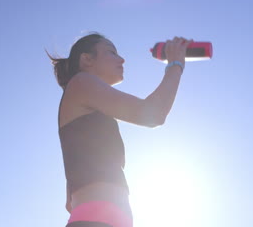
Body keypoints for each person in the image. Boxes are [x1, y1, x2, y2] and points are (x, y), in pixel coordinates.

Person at [47, 33, 192, 227]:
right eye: (111, 52)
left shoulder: (88, 110)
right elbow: (153, 113)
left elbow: (69, 201)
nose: (122, 59)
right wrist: (175, 64)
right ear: (87, 59)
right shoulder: (81, 82)